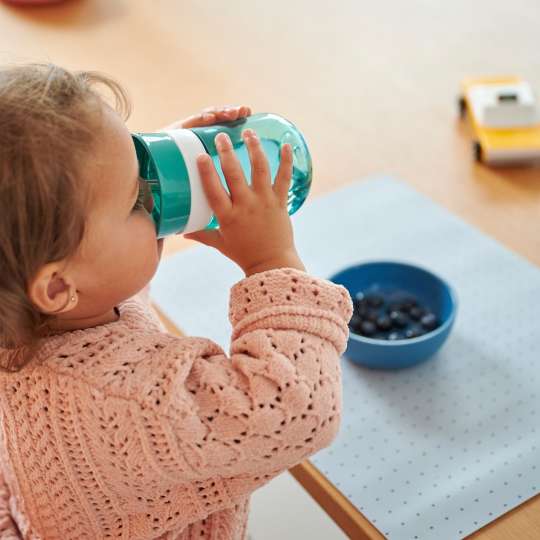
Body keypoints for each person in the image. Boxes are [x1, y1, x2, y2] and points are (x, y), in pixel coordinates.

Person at [0, 63, 352, 540]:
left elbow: (106, 270)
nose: (154, 196)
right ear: (58, 288)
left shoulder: (27, 312)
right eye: (134, 200)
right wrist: (271, 260)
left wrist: (165, 158)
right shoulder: (137, 402)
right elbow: (295, 409)